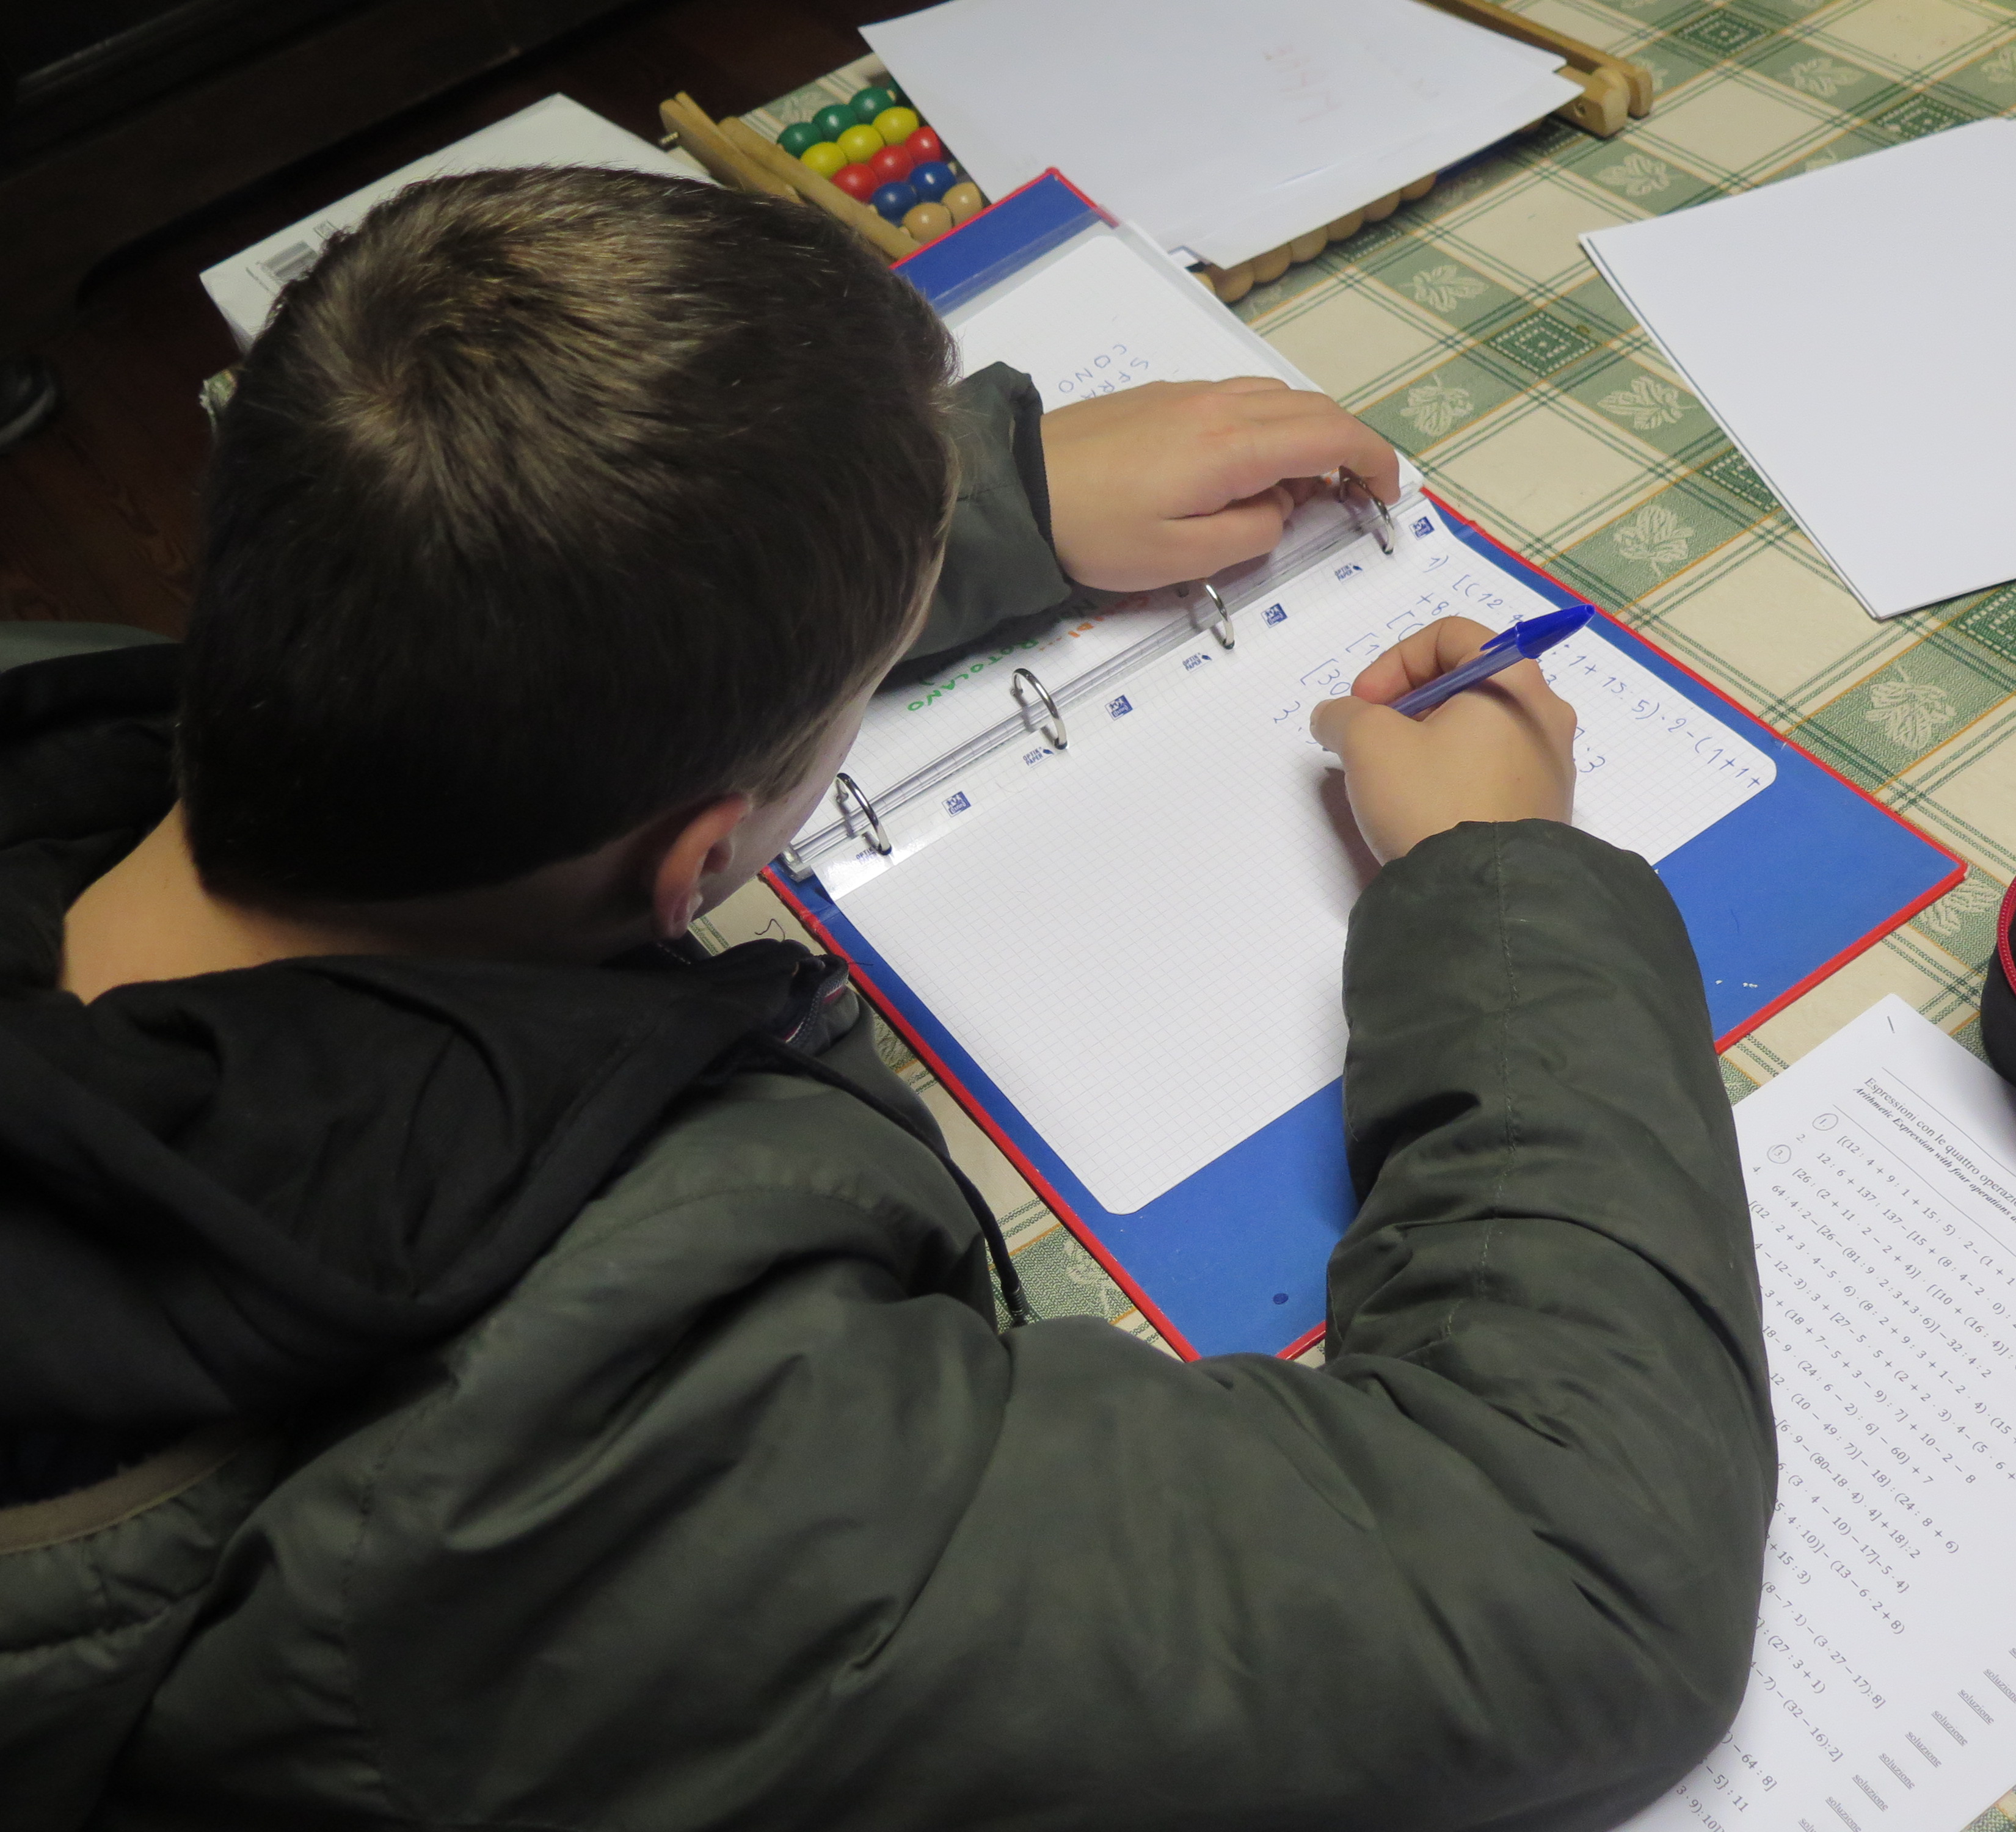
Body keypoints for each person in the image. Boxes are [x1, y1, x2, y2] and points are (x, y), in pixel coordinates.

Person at [0, 166, 1773, 1831]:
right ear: (700, 865)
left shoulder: (71, 705)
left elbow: (455, 598)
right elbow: (1577, 1578)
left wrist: (966, 503)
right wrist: (1500, 886)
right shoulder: (572, 1455)